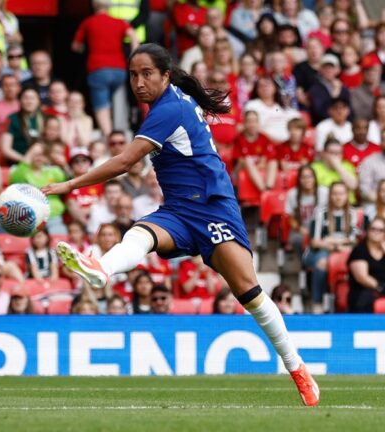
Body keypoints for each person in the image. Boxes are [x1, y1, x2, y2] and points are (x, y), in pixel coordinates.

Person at [43, 43, 319, 405]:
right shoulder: (170, 101)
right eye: (133, 74)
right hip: (177, 210)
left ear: (165, 75)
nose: (138, 82)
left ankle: (296, 366)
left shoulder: (168, 109)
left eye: (146, 74)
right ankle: (101, 267)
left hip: (212, 208)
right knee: (140, 233)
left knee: (248, 292)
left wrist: (69, 184)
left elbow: (127, 162)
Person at [72, 0, 139, 137]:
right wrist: (134, 55)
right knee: (118, 103)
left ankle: (109, 136)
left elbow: (75, 46)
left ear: (93, 6)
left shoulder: (88, 22)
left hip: (98, 68)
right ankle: (121, 132)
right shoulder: (119, 22)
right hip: (119, 69)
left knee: (101, 104)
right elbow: (133, 36)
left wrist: (85, 48)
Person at [304, 182, 359, 313]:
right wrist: (336, 244)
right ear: (330, 196)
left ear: (347, 196)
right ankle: (317, 302)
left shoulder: (352, 213)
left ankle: (347, 303)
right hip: (317, 253)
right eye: (335, 194)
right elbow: (315, 242)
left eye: (341, 194)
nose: (338, 197)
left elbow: (353, 239)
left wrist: (331, 241)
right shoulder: (321, 212)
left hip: (342, 251)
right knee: (323, 263)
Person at [9, 142, 67, 234]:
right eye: (35, 155)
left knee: (60, 238)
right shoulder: (23, 171)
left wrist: (64, 165)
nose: (39, 157)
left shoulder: (54, 171)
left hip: (53, 215)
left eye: (43, 155)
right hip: (29, 216)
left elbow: (68, 181)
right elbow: (15, 179)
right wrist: (30, 153)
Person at [285, 165, 329, 254]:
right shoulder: (292, 194)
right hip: (303, 228)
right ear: (299, 180)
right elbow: (291, 218)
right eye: (303, 177)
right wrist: (300, 228)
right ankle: (303, 264)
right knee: (296, 239)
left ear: (315, 178)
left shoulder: (324, 192)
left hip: (323, 228)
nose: (307, 180)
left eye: (310, 176)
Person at [347, 217, 385, 312]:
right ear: (367, 231)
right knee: (365, 297)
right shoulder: (359, 250)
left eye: (381, 230)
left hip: (381, 291)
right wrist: (381, 287)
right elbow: (362, 277)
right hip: (363, 291)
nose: (376, 232)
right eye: (373, 229)